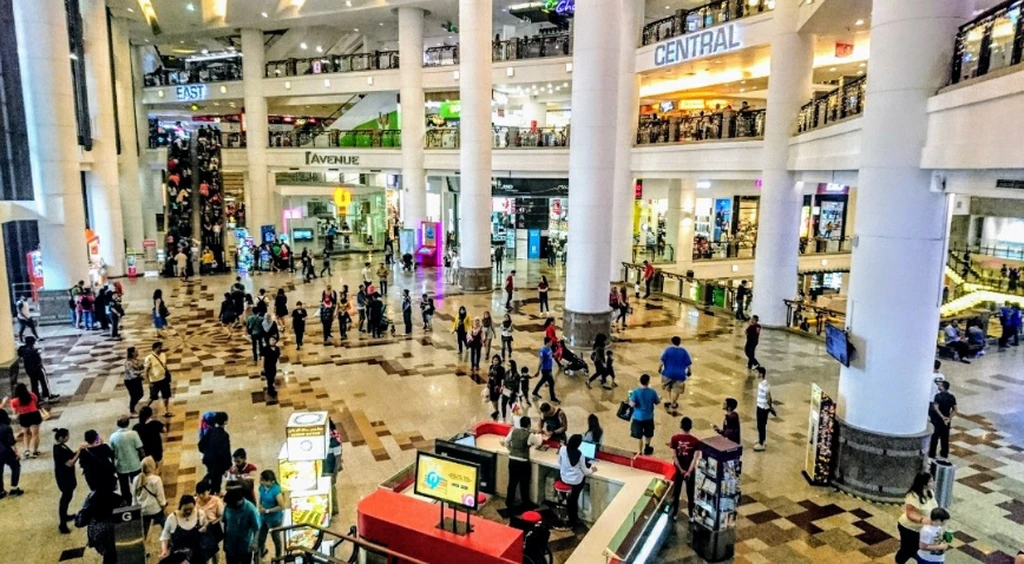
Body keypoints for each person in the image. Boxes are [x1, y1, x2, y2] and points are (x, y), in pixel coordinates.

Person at [896, 472, 938, 564]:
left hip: (921, 528)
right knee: (907, 549)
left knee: (916, 547)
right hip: (909, 528)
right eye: (930, 481)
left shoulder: (929, 492)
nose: (933, 482)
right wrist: (922, 520)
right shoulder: (913, 496)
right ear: (923, 483)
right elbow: (910, 514)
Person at [557, 434, 595, 529]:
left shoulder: (562, 449)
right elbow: (585, 472)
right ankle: (573, 518)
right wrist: (592, 470)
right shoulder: (580, 455)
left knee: (571, 499)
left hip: (564, 479)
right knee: (574, 498)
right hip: (575, 482)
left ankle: (564, 498)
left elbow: (559, 462)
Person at [503, 416, 542, 509]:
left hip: (512, 460)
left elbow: (506, 441)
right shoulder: (529, 435)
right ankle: (526, 502)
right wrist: (539, 434)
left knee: (512, 482)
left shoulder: (513, 431)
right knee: (524, 483)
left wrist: (510, 450)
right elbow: (539, 443)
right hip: (523, 462)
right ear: (529, 425)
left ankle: (509, 501)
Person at [669, 417, 701, 520]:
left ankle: (674, 513)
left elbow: (674, 456)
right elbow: (695, 458)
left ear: (681, 425)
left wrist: (681, 469)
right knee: (690, 493)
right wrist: (689, 471)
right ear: (691, 427)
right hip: (690, 471)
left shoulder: (674, 439)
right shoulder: (695, 441)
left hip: (678, 470)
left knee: (676, 491)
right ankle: (691, 515)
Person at [160, 494, 208, 562]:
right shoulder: (172, 518)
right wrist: (164, 550)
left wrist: (205, 529)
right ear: (180, 507)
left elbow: (206, 526)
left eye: (191, 509)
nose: (188, 511)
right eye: (185, 510)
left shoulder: (200, 514)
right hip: (179, 558)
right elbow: (165, 536)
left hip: (197, 554)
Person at [79, 486, 120, 563]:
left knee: (107, 556)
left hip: (96, 534)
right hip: (110, 533)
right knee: (112, 556)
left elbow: (80, 521)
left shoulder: (91, 497)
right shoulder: (117, 499)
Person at [1, 383, 43, 458]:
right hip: (34, 415)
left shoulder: (14, 401)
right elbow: (36, 403)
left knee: (26, 433)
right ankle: (35, 451)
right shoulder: (32, 395)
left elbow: (15, 413)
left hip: (24, 417)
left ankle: (27, 450)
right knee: (35, 434)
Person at [110, 416, 145, 504]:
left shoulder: (113, 436)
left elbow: (112, 452)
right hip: (134, 463)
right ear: (128, 423)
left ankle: (127, 502)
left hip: (121, 466)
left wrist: (113, 464)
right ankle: (139, 500)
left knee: (124, 486)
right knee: (138, 483)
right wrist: (144, 459)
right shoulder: (133, 434)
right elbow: (140, 448)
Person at [133, 455, 167, 539]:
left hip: (143, 510)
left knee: (144, 530)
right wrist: (164, 507)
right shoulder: (156, 479)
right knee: (166, 526)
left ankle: (143, 542)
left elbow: (134, 496)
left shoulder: (136, 479)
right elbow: (160, 497)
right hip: (155, 509)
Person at [53, 428, 80, 533]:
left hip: (66, 476)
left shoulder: (60, 446)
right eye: (67, 436)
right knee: (65, 498)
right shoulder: (59, 450)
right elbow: (70, 463)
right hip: (64, 477)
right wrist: (79, 453)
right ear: (61, 438)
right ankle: (62, 523)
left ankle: (65, 516)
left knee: (68, 497)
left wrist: (78, 450)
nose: (68, 438)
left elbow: (70, 454)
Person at [18, 336, 58, 403]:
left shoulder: (22, 349)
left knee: (34, 384)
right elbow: (37, 360)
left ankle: (37, 398)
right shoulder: (34, 351)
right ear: (32, 342)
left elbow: (20, 355)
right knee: (44, 382)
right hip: (37, 368)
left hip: (29, 369)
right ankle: (48, 395)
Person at [199, 412, 232, 493]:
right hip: (218, 462)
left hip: (208, 459)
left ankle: (210, 489)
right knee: (217, 478)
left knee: (211, 473)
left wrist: (207, 452)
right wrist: (228, 465)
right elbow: (225, 452)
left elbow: (201, 444)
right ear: (225, 422)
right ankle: (214, 492)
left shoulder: (210, 431)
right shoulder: (224, 435)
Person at [628, 374, 661, 455]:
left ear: (640, 381)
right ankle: (647, 446)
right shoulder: (652, 392)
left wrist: (629, 399)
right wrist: (660, 398)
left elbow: (631, 405)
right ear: (648, 382)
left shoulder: (635, 392)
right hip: (649, 416)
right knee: (648, 433)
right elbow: (657, 402)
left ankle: (640, 451)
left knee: (639, 435)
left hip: (638, 417)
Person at [659, 336, 692, 415]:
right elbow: (688, 363)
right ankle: (673, 402)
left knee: (668, 388)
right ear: (680, 342)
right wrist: (689, 371)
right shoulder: (683, 351)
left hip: (668, 373)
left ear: (672, 341)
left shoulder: (668, 350)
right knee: (677, 390)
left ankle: (668, 400)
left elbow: (662, 361)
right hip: (680, 374)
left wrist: (659, 368)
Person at [257, 470, 286, 559]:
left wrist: (268, 511)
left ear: (270, 481)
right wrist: (260, 507)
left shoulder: (276, 490)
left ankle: (278, 557)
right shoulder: (262, 487)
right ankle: (260, 554)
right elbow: (261, 499)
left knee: (276, 538)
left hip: (274, 519)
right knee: (260, 538)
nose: (261, 481)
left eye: (264, 480)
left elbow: (281, 506)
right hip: (263, 518)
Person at [196, 479, 225, 561]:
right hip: (201, 528)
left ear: (208, 491)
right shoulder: (195, 501)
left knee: (214, 549)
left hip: (213, 528)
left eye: (203, 493)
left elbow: (222, 516)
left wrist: (210, 524)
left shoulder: (216, 501)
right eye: (199, 494)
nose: (201, 496)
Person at [145, 341, 173, 418]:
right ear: (154, 348)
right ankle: (145, 408)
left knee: (166, 395)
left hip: (164, 379)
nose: (161, 349)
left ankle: (166, 411)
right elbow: (146, 371)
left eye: (161, 347)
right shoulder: (149, 358)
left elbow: (164, 365)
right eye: (159, 348)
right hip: (155, 380)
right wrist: (149, 382)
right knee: (153, 396)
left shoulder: (163, 355)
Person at [929, 380, 957, 460]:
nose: (938, 386)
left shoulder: (938, 396)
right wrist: (949, 418)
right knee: (945, 437)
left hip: (937, 420)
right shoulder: (951, 397)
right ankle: (944, 453)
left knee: (935, 437)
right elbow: (955, 409)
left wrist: (942, 417)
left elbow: (936, 408)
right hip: (947, 421)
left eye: (940, 385)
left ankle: (932, 453)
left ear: (943, 387)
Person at [0, 410, 23, 499]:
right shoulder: (6, 428)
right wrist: (17, 453)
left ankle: (1, 491)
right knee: (15, 466)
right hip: (5, 451)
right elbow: (11, 442)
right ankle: (14, 488)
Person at [532, 337, 560, 403]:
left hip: (549, 368)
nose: (551, 343)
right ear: (547, 342)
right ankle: (552, 398)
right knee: (551, 383)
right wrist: (538, 371)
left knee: (542, 380)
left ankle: (535, 391)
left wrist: (555, 354)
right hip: (545, 369)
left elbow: (551, 355)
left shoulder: (549, 348)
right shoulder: (542, 351)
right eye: (550, 342)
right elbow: (540, 361)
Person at [754, 367, 773, 451]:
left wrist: (769, 406)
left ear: (761, 374)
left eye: (756, 372)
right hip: (760, 406)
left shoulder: (764, 384)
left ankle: (761, 443)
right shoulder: (762, 383)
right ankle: (762, 440)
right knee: (761, 425)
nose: (755, 374)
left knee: (761, 425)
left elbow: (768, 396)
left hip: (763, 408)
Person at [487, 355, 505, 420]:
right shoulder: (491, 367)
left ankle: (496, 410)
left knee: (495, 399)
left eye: (496, 360)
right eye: (494, 360)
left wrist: (502, 387)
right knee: (492, 398)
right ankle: (496, 410)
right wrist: (488, 383)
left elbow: (503, 378)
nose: (495, 361)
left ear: (499, 361)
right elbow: (489, 375)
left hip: (497, 386)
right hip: (491, 385)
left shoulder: (501, 369)